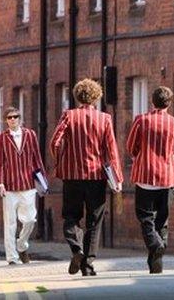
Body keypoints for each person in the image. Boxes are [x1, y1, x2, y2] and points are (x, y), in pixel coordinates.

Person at [50, 78, 123, 276]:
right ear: (96, 97)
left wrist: (61, 161)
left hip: (72, 176)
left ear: (77, 97)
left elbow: (55, 142)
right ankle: (88, 266)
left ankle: (76, 249)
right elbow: (112, 150)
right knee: (94, 221)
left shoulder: (68, 116)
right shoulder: (105, 119)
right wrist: (117, 178)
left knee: (71, 217)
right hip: (96, 177)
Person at [125, 86, 174, 274]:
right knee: (162, 220)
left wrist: (143, 156)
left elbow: (131, 147)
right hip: (167, 179)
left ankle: (156, 244)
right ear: (169, 103)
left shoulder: (141, 121)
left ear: (152, 101)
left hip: (145, 177)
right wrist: (169, 159)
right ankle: (157, 262)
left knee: (145, 218)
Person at [0, 106, 44, 265]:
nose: (13, 119)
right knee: (10, 224)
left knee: (30, 219)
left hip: (28, 184)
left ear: (19, 118)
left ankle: (22, 245)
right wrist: (0, 182)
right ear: (6, 121)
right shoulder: (1, 138)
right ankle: (12, 257)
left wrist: (42, 180)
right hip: (9, 187)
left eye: (15, 116)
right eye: (9, 117)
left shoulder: (31, 135)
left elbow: (37, 157)